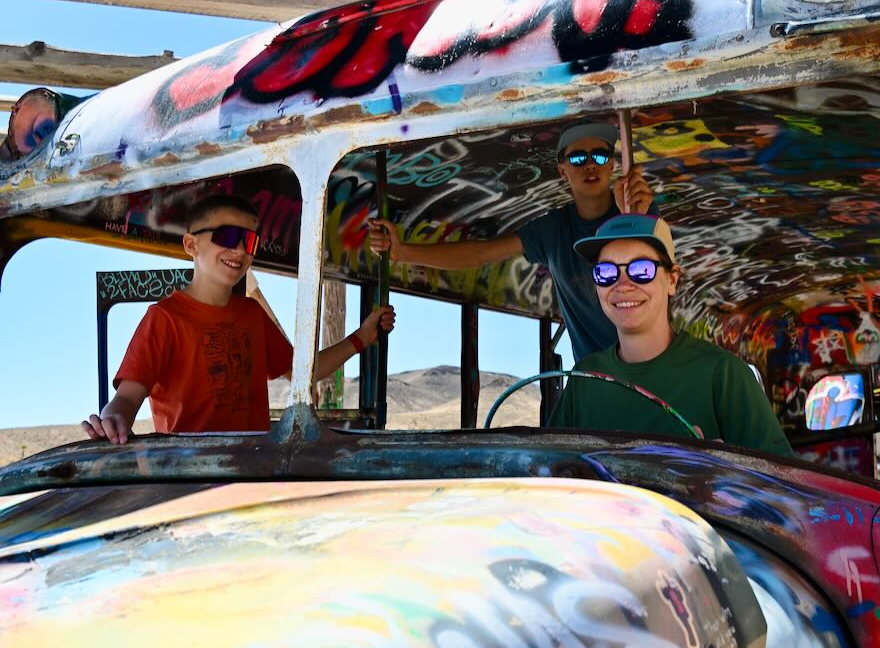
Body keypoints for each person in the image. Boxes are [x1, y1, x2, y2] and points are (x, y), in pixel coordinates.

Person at [83, 194, 395, 444]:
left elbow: (305, 371)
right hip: (186, 478)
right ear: (191, 245)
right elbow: (126, 398)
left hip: (251, 470)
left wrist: (361, 338)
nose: (239, 250)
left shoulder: (251, 314)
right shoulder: (164, 319)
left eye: (249, 242)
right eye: (228, 236)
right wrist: (113, 419)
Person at [368, 120, 653, 361]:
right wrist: (402, 252)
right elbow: (481, 254)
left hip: (648, 362)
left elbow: (653, 280)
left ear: (612, 165)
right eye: (578, 158)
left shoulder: (640, 213)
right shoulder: (552, 230)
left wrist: (630, 219)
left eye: (600, 156)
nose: (590, 164)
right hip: (595, 378)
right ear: (562, 170)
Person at [549, 213, 793, 455]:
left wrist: (725, 473)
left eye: (641, 269)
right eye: (606, 272)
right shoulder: (584, 380)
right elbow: (550, 472)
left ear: (672, 280)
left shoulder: (723, 374)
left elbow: (785, 485)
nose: (622, 284)